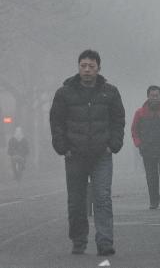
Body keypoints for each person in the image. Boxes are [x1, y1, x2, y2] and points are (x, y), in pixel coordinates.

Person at [50, 49, 125, 256]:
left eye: (91, 66)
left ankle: (105, 242)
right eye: (83, 66)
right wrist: (62, 147)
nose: (87, 70)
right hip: (74, 155)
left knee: (102, 198)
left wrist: (114, 144)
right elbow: (56, 122)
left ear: (98, 68)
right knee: (77, 201)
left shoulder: (110, 92)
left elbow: (118, 120)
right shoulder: (64, 93)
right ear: (78, 67)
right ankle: (79, 240)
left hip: (102, 154)